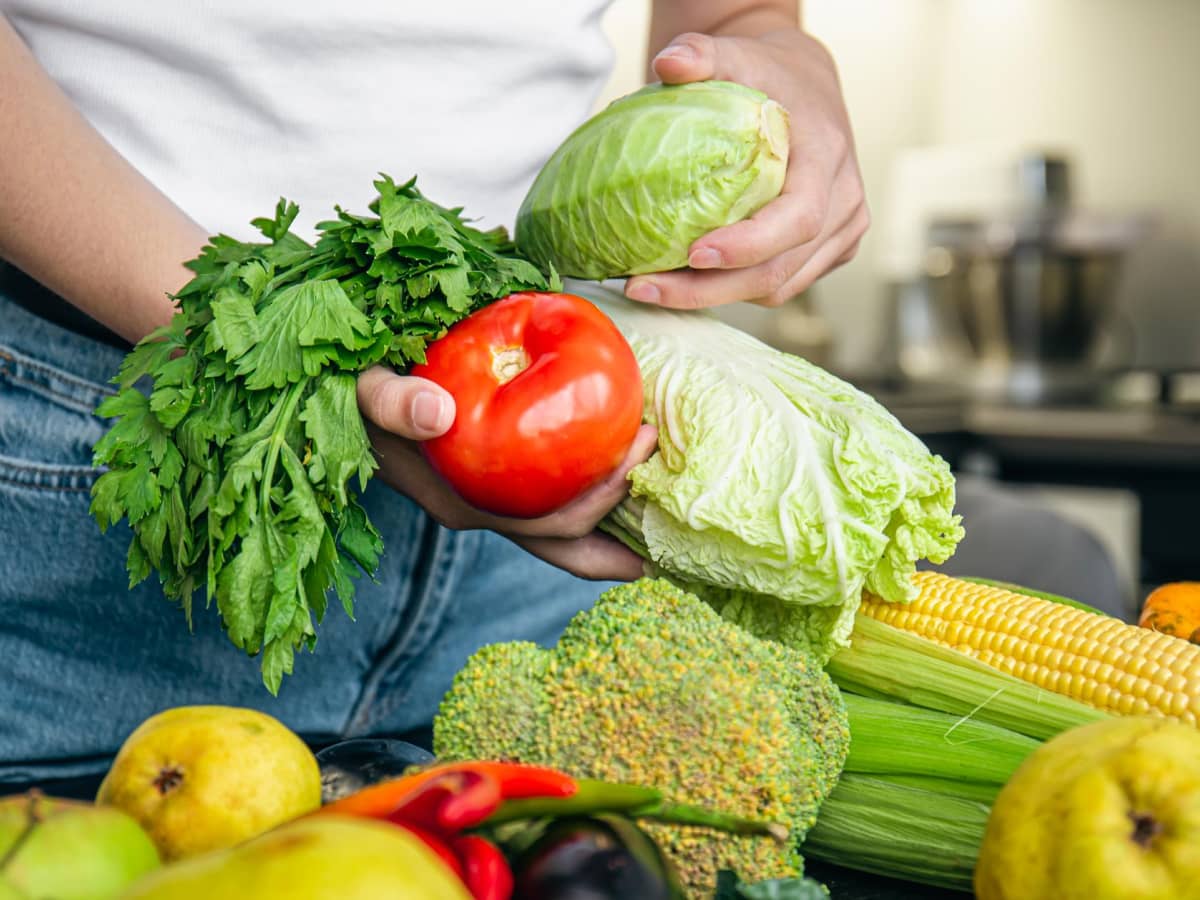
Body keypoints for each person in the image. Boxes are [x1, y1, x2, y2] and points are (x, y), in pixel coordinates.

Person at [0, 1, 869, 789]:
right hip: (114, 443)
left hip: (555, 479)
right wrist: (269, 345)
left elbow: (732, 12)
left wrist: (775, 43)